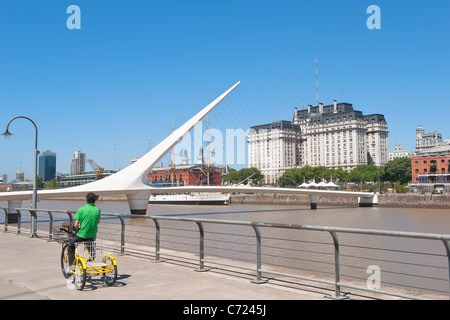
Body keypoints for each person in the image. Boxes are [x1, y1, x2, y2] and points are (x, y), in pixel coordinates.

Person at [67, 192, 101, 273]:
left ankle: (72, 268)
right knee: (91, 250)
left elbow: (75, 224)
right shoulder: (98, 210)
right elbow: (98, 222)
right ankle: (90, 262)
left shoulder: (81, 210)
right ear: (95, 200)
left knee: (70, 247)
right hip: (92, 235)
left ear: (86, 200)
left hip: (82, 235)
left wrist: (78, 228)